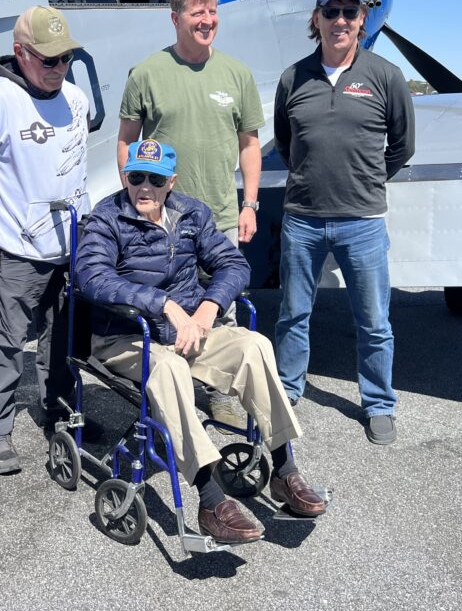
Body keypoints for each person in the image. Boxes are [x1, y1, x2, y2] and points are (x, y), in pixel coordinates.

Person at [77, 139, 325, 544]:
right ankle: (210, 498)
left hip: (190, 331)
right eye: (135, 176)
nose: (143, 187)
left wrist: (210, 305)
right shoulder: (107, 218)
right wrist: (164, 305)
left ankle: (284, 471)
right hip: (126, 335)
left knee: (254, 346)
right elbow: (92, 277)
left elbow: (233, 264)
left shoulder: (193, 213)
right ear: (126, 176)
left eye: (155, 179)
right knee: (171, 368)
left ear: (171, 182)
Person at [0, 6, 90, 475]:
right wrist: (2, 221)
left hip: (70, 246)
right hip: (17, 253)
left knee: (64, 339)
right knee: (6, 344)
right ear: (19, 52)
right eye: (47, 59)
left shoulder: (75, 98)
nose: (58, 68)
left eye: (65, 58)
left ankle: (60, 412)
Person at [117, 0, 264, 430]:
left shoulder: (236, 74)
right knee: (166, 304)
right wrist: (135, 195)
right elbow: (127, 141)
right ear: (175, 18)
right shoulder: (146, 73)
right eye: (198, 13)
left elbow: (249, 144)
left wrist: (250, 203)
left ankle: (223, 396)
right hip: (164, 219)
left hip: (219, 215)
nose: (208, 20)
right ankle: (174, 389)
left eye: (213, 11)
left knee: (223, 308)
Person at [273, 0, 415, 445]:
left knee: (374, 321)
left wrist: (365, 181)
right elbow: (287, 143)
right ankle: (288, 391)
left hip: (363, 222)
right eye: (330, 13)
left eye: (349, 13)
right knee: (293, 313)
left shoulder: (386, 76)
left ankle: (378, 403)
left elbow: (402, 145)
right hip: (304, 218)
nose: (339, 21)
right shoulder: (293, 78)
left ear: (362, 21)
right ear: (315, 20)